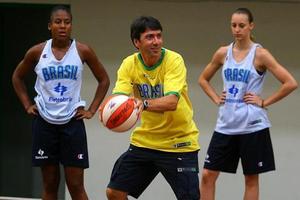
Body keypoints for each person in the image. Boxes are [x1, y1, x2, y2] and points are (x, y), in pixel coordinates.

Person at [198, 7, 298, 200]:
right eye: (234, 25)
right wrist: (216, 98)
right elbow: (203, 79)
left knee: (251, 179)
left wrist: (264, 101)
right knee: (207, 175)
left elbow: (290, 83)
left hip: (252, 125)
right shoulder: (222, 53)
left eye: (242, 25)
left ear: (251, 26)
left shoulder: (260, 54)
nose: (237, 29)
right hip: (226, 125)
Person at [12, 5, 110, 200]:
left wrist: (91, 109)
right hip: (44, 123)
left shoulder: (82, 50)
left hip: (72, 123)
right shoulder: (38, 51)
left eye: (67, 22)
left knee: (75, 185)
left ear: (71, 25)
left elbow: (104, 80)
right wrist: (26, 104)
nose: (63, 26)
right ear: (50, 26)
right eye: (58, 22)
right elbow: (17, 77)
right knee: (50, 184)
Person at [105, 16, 200, 200]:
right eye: (149, 37)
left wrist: (144, 104)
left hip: (179, 143)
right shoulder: (129, 64)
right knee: (114, 192)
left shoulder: (174, 60)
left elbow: (172, 102)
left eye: (159, 36)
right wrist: (110, 110)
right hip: (145, 141)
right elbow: (120, 98)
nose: (156, 41)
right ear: (136, 42)